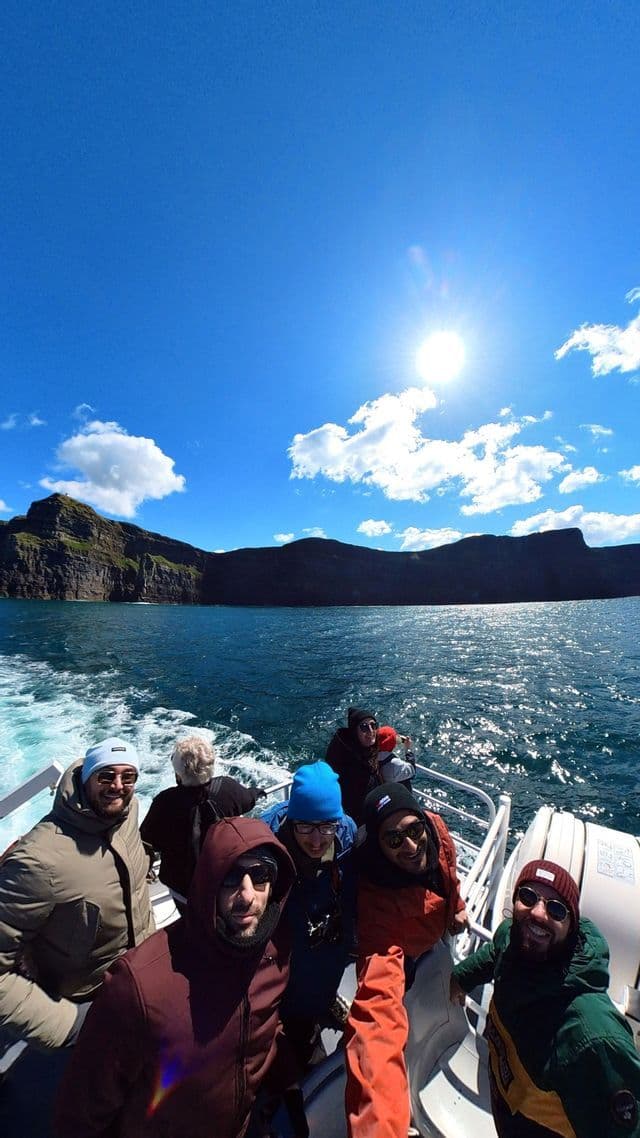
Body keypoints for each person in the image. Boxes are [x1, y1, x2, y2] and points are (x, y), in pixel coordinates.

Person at [54, 817, 302, 1138]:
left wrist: (291, 1084)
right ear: (208, 883)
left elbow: (262, 1024)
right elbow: (79, 1112)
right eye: (230, 877)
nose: (247, 894)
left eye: (260, 876)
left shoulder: (275, 949)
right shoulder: (141, 985)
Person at [450, 859, 640, 1138]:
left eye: (556, 909)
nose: (538, 913)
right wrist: (461, 978)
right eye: (527, 897)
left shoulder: (593, 1034)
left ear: (572, 926)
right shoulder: (514, 939)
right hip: (508, 1105)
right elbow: (497, 952)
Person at [0, 737, 154, 1052]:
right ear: (86, 780)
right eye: (106, 775)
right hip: (87, 1000)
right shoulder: (40, 859)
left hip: (142, 977)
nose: (118, 786)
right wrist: (66, 1025)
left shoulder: (129, 812)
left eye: (129, 777)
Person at [344, 782, 468, 1138]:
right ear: (380, 847)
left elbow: (447, 870)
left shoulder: (435, 828)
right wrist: (378, 1127)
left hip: (437, 932)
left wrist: (455, 905)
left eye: (414, 831)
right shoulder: (378, 900)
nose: (412, 847)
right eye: (395, 840)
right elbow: (376, 1012)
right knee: (398, 1006)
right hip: (404, 953)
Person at [261, 761, 357, 1074]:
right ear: (291, 820)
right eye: (306, 828)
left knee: (323, 979)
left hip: (328, 944)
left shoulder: (347, 834)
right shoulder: (266, 848)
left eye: (326, 827)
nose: (317, 841)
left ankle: (325, 1002)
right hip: (288, 953)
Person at [140, 735, 265, 901]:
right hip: (223, 881)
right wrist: (256, 792)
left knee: (191, 920)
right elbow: (248, 800)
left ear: (178, 773)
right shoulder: (227, 789)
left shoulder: (164, 802)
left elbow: (148, 840)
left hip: (182, 888)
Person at [325, 707, 415, 825]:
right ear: (354, 731)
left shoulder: (356, 747)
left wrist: (398, 739)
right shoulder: (352, 764)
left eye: (374, 725)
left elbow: (383, 737)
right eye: (364, 727)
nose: (371, 731)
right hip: (362, 822)